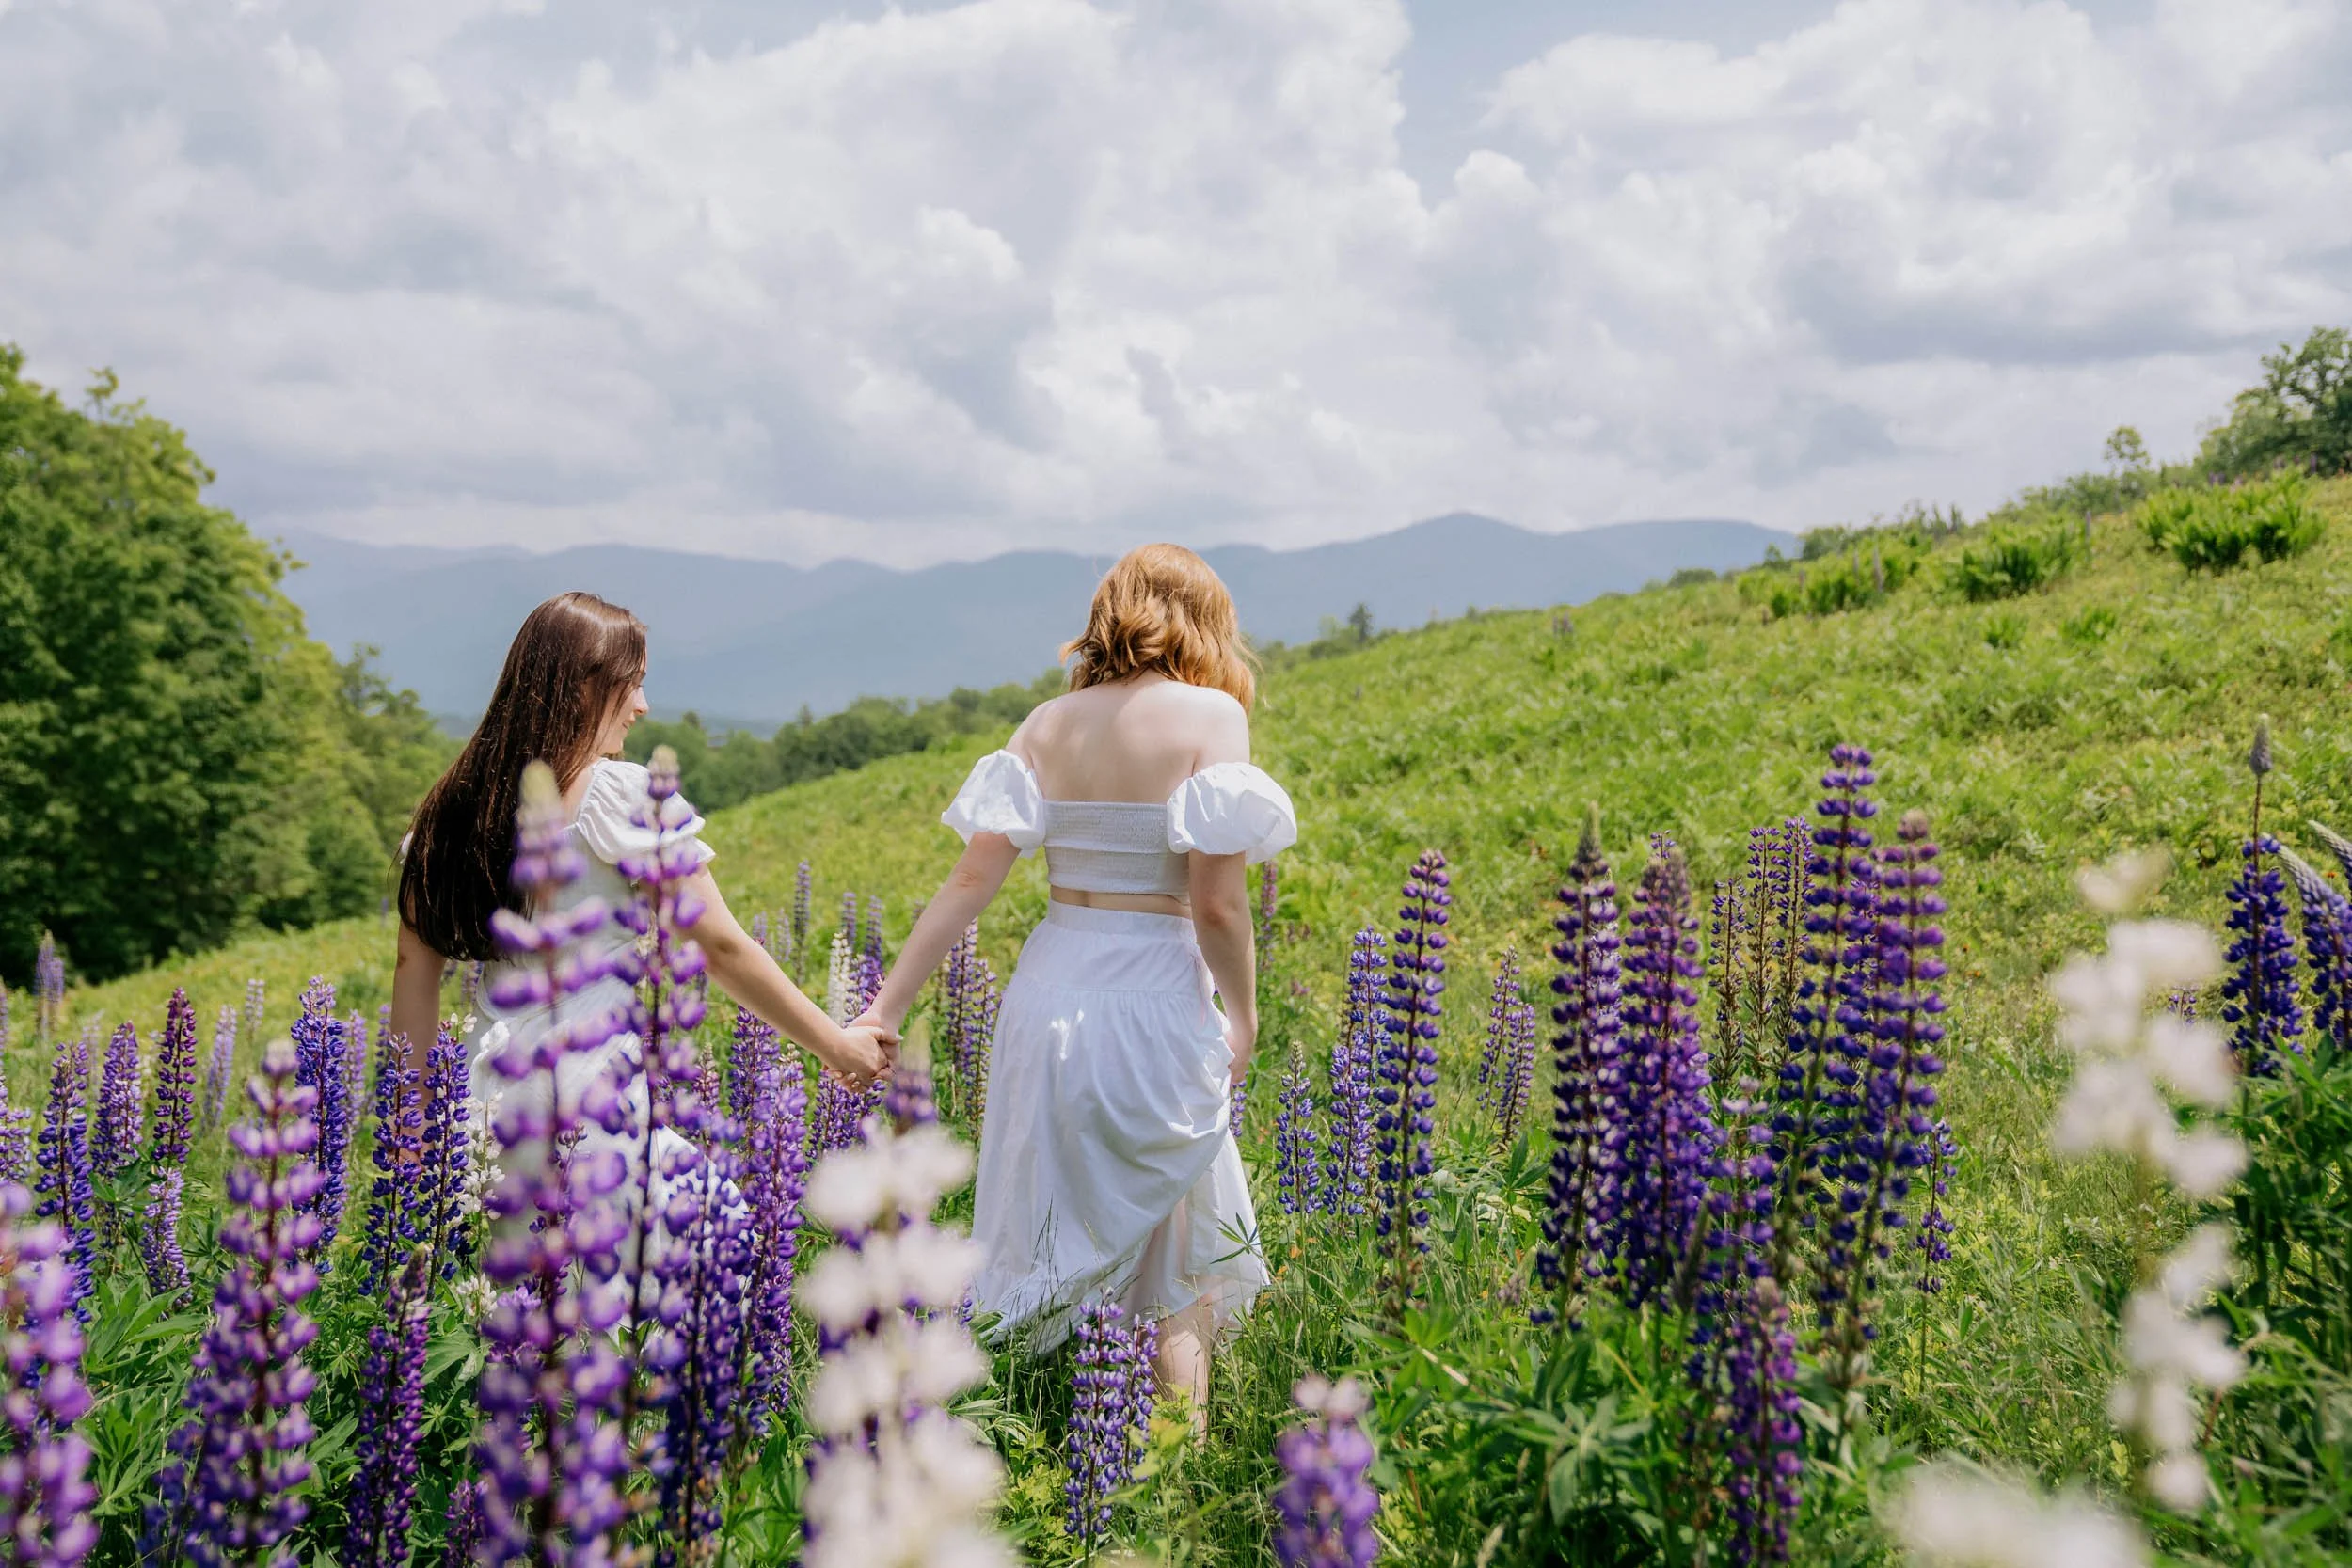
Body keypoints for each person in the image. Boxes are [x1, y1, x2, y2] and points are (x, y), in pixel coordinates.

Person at [854, 544, 1295, 1419]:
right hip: (1153, 995)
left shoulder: (1045, 726)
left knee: (1059, 1227)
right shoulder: (1212, 716)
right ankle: (1175, 1486)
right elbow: (1217, 906)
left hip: (1048, 994)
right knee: (1168, 1251)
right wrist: (1242, 1019)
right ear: (1203, 622)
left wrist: (884, 1007)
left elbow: (968, 886)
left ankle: (1029, 1421)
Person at [389, 591, 892, 1177]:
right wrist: (838, 1047)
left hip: (488, 1114)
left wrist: (413, 1130)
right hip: (592, 1100)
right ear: (584, 686)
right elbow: (720, 947)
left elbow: (413, 969)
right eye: (632, 684)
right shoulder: (622, 795)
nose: (643, 705)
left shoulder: (452, 812)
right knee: (703, 1241)